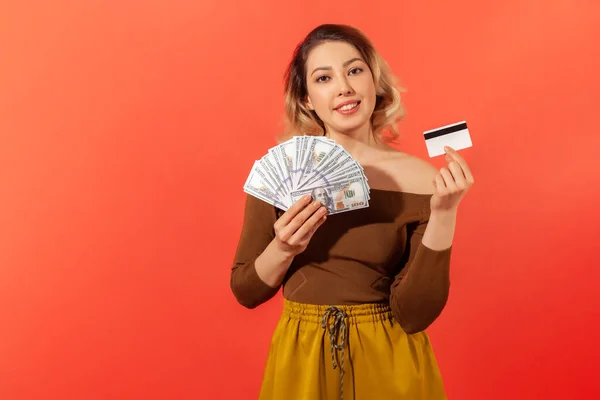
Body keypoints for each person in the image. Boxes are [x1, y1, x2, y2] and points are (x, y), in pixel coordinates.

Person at [230, 23, 474, 400]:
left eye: (354, 70)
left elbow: (414, 315)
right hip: (302, 356)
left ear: (374, 82)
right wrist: (284, 247)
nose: (343, 86)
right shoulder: (282, 172)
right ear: (307, 98)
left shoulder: (423, 180)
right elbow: (246, 291)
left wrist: (445, 214)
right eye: (324, 77)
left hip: (388, 360)